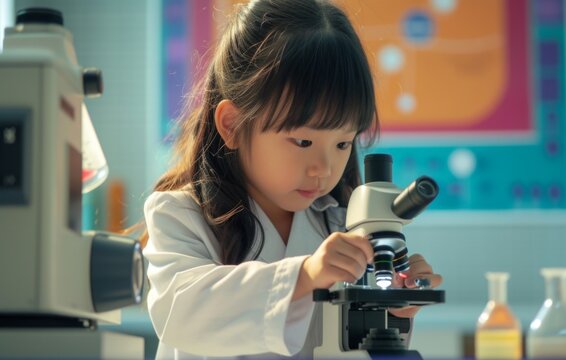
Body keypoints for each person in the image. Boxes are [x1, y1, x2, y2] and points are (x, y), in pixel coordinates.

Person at [143, 0, 442, 358]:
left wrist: (394, 308)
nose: (324, 168)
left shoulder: (342, 224)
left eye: (343, 142)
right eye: (303, 141)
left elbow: (354, 348)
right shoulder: (180, 215)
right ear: (233, 126)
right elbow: (182, 315)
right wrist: (303, 276)